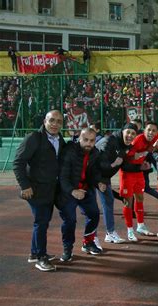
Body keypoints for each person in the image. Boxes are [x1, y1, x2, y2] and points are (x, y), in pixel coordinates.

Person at [13, 110, 65, 272]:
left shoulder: (59, 139)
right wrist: (24, 186)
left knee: (42, 221)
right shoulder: (34, 138)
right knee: (41, 222)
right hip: (35, 189)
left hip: (49, 189)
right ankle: (41, 257)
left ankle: (35, 253)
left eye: (59, 121)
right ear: (44, 121)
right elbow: (18, 162)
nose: (55, 124)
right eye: (52, 120)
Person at [57, 128, 106, 262]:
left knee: (94, 214)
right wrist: (73, 191)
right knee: (70, 220)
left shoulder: (95, 152)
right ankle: (67, 249)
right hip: (68, 192)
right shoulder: (69, 152)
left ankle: (88, 242)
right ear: (79, 138)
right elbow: (63, 177)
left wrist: (98, 183)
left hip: (86, 190)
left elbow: (94, 172)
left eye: (92, 140)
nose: (89, 143)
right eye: (86, 140)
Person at [95, 123, 139, 245]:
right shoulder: (109, 141)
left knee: (108, 201)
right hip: (91, 174)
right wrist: (102, 180)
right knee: (91, 208)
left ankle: (109, 233)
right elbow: (99, 162)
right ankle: (92, 238)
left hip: (104, 175)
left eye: (133, 134)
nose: (130, 136)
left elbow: (123, 164)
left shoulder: (127, 146)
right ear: (122, 131)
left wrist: (141, 166)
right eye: (128, 132)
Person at [120, 122, 157, 241]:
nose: (151, 132)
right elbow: (129, 158)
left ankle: (140, 225)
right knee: (128, 202)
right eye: (149, 130)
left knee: (140, 198)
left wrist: (144, 162)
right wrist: (140, 157)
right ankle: (130, 230)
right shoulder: (137, 140)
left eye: (153, 130)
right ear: (144, 130)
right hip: (127, 174)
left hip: (139, 173)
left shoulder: (153, 139)